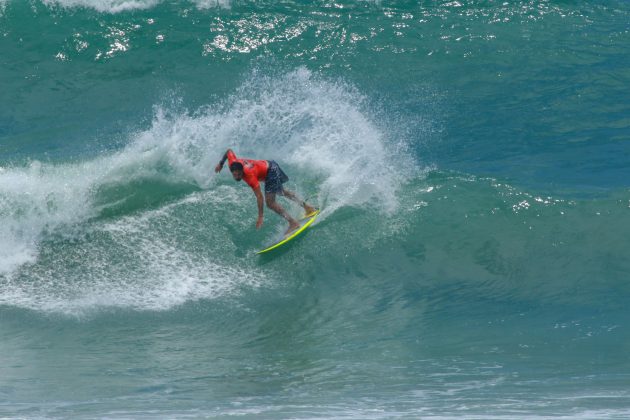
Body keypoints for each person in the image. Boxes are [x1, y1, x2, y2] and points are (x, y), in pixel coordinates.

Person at [215, 149, 317, 234]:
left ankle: (293, 223)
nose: (237, 177)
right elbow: (229, 151)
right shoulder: (233, 163)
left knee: (270, 203)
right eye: (235, 175)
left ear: (243, 171)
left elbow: (259, 196)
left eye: (239, 174)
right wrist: (221, 163)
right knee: (281, 191)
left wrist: (260, 216)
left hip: (270, 171)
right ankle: (308, 208)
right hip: (270, 165)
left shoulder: (249, 176)